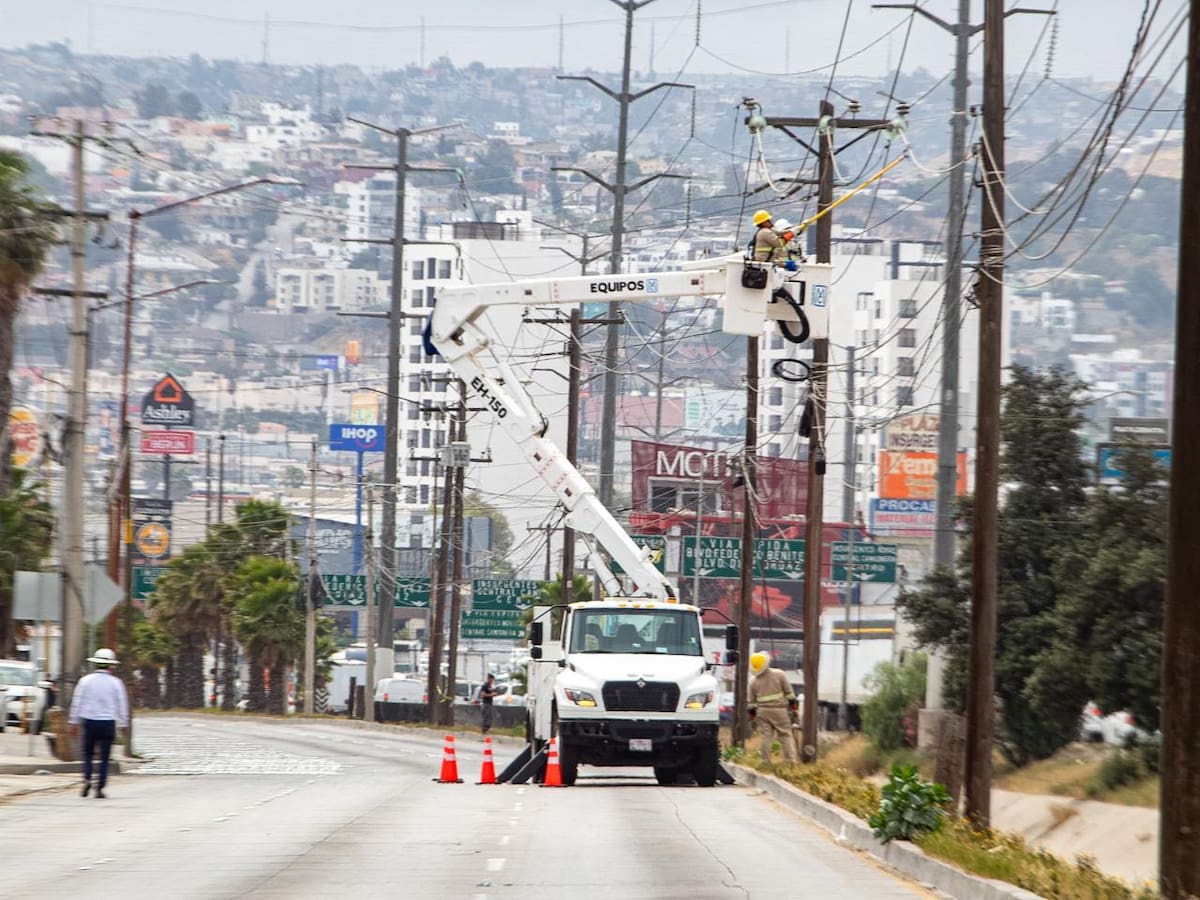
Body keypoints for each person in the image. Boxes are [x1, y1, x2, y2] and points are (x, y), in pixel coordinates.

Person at [68, 648, 130, 798]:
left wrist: (74, 722)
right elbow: (122, 704)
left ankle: (87, 778)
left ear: (95, 664)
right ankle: (100, 788)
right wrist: (123, 724)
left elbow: (77, 702)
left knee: (88, 753)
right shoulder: (116, 683)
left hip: (89, 722)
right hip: (108, 723)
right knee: (104, 757)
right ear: (110, 666)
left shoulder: (85, 681)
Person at [748, 650, 797, 764]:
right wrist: (794, 708)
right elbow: (789, 694)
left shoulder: (753, 681)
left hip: (762, 712)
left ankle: (766, 761)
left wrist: (752, 717)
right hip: (779, 711)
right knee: (785, 735)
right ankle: (790, 761)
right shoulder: (779, 674)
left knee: (766, 737)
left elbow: (751, 703)